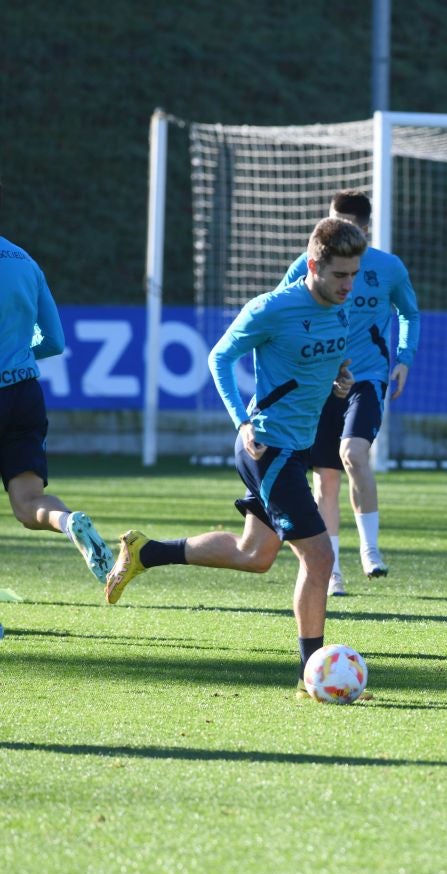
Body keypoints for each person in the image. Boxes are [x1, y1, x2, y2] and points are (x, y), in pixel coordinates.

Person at [105, 217, 366, 691]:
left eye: (354, 274)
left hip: (296, 447)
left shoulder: (341, 307)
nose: (349, 285)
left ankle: (147, 552)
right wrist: (242, 423)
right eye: (340, 275)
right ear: (313, 266)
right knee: (320, 557)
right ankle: (314, 672)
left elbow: (325, 354)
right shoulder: (273, 307)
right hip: (268, 447)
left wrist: (339, 376)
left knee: (255, 554)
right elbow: (219, 357)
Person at [277, 190, 420, 596]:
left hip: (368, 377)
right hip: (320, 382)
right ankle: (333, 570)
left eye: (351, 225)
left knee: (352, 453)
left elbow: (409, 311)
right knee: (325, 481)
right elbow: (281, 306)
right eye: (335, 222)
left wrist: (404, 357)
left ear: (365, 228)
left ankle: (370, 550)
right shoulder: (309, 266)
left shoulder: (387, 268)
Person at [1, 184, 113, 584]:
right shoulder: (24, 261)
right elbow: (54, 341)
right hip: (24, 394)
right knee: (28, 502)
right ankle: (67, 521)